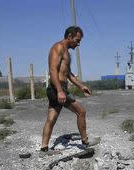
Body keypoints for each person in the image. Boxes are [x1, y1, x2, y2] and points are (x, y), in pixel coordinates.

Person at [41, 26, 99, 155]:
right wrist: (60, 91)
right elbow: (52, 70)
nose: (78, 44)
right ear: (69, 36)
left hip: (57, 89)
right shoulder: (58, 47)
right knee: (81, 112)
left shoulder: (67, 52)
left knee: (51, 118)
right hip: (57, 89)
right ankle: (85, 141)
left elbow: (69, 74)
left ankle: (44, 148)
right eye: (77, 40)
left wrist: (81, 86)